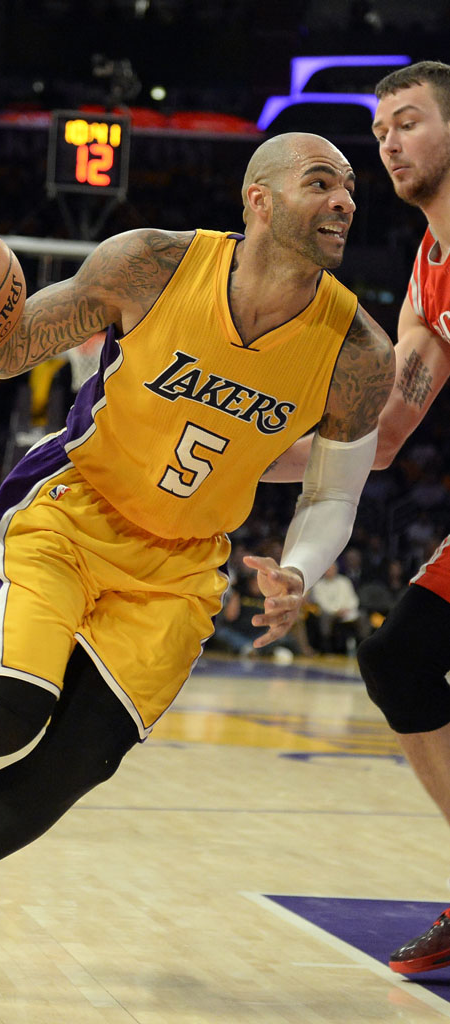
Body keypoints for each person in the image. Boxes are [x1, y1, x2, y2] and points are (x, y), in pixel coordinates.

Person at [0, 132, 394, 1008]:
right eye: (320, 182)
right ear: (256, 199)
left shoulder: (358, 353)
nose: (343, 202)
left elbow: (333, 494)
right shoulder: (148, 266)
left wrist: (295, 567)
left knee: (69, 770)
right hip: (74, 512)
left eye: (350, 190)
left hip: (179, 569)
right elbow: (4, 347)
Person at [263, 62, 450, 975]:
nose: (388, 144)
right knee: (398, 656)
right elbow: (382, 437)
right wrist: (240, 453)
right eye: (380, 130)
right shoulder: (428, 268)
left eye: (408, 123)